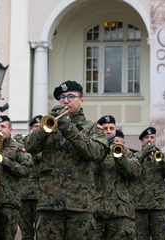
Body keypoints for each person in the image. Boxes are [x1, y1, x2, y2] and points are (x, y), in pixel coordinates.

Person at [24, 80, 109, 240]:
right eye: (62, 97)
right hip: (49, 203)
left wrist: (69, 128)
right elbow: (29, 146)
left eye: (71, 96)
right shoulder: (49, 125)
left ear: (81, 100)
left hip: (79, 204)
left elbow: (97, 153)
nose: (65, 101)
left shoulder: (92, 128)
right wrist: (44, 128)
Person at [94, 115, 140, 240]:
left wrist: (120, 157)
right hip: (95, 211)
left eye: (111, 128)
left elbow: (135, 174)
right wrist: (101, 151)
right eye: (105, 128)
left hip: (120, 212)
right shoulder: (92, 151)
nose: (108, 131)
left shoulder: (126, 152)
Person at [0, 115, 33, 240]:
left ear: (10, 130)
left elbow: (26, 170)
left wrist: (4, 161)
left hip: (9, 202)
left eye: (3, 126)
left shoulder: (18, 148)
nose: (0, 129)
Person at [133, 127, 165, 240]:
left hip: (158, 207)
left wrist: (162, 159)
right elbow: (130, 169)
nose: (149, 140)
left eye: (152, 137)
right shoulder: (135, 157)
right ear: (142, 141)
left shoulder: (162, 157)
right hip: (139, 207)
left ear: (155, 140)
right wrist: (143, 155)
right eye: (146, 137)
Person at [14, 115, 42, 240]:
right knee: (26, 233)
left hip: (40, 195)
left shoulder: (46, 143)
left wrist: (22, 143)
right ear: (31, 128)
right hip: (24, 195)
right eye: (36, 127)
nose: (38, 129)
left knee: (41, 232)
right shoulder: (25, 141)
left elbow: (38, 156)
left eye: (41, 127)